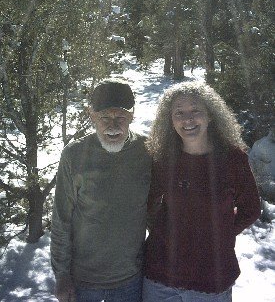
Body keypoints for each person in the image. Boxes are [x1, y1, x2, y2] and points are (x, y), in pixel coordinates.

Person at [143, 81, 261, 302]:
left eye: (195, 111)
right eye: (179, 113)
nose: (188, 119)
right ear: (170, 121)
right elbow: (146, 204)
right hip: (159, 278)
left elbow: (251, 209)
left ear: (210, 115)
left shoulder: (233, 159)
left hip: (211, 279)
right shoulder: (163, 159)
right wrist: (164, 232)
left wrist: (220, 233)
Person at [51, 79, 152, 302]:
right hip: (83, 282)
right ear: (92, 116)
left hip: (132, 280)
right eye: (105, 117)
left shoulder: (147, 152)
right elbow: (61, 219)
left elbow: (157, 213)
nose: (112, 126)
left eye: (121, 117)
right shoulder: (74, 155)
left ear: (132, 116)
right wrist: (61, 274)